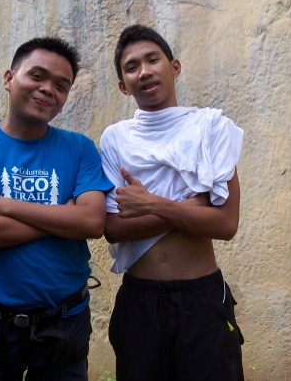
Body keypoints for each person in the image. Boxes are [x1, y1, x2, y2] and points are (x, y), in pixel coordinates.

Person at [0, 36, 114, 381]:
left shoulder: (79, 148)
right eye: (37, 76)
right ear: (9, 79)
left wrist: (5, 205)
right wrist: (65, 216)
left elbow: (93, 221)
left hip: (66, 322)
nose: (48, 89)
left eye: (61, 85)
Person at [99, 24, 245, 381]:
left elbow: (225, 225)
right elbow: (114, 228)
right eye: (132, 67)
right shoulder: (116, 139)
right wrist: (194, 206)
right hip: (140, 300)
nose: (144, 71)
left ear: (174, 67)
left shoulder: (211, 129)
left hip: (203, 299)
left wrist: (151, 204)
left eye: (153, 60)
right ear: (123, 85)